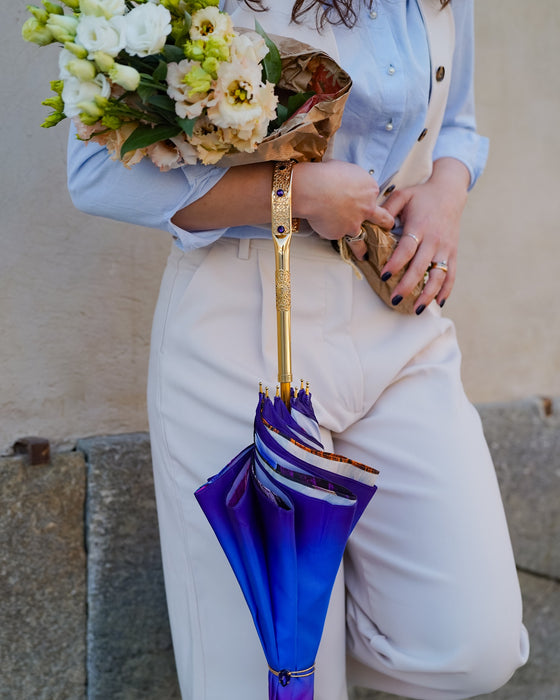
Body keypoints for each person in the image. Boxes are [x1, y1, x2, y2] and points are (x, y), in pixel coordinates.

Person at [67, 1, 529, 698]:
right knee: (267, 679)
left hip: (395, 318)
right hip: (243, 324)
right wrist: (293, 191)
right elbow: (97, 174)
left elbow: (455, 119)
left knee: (473, 647)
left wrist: (445, 190)